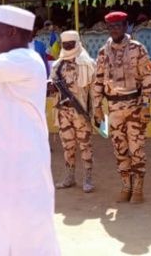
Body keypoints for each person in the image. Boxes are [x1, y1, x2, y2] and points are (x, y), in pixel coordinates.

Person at [0, 5, 61, 255]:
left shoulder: (27, 60)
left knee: (30, 236)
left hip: (24, 170)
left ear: (12, 32)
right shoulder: (1, 70)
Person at [92, 11, 151, 204]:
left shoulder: (138, 49)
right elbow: (98, 80)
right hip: (113, 107)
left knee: (137, 148)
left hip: (135, 106)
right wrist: (96, 106)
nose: (115, 29)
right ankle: (125, 185)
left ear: (126, 26)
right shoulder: (103, 52)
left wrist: (146, 105)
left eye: (118, 25)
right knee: (119, 148)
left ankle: (138, 188)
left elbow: (147, 78)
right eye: (111, 27)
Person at [48, 30, 97, 193]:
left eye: (71, 43)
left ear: (77, 42)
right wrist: (51, 87)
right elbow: (51, 86)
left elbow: (94, 91)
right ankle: (69, 177)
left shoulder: (87, 63)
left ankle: (88, 178)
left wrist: (94, 111)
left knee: (85, 145)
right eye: (65, 44)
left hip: (81, 111)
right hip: (63, 112)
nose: (68, 46)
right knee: (67, 145)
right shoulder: (57, 65)